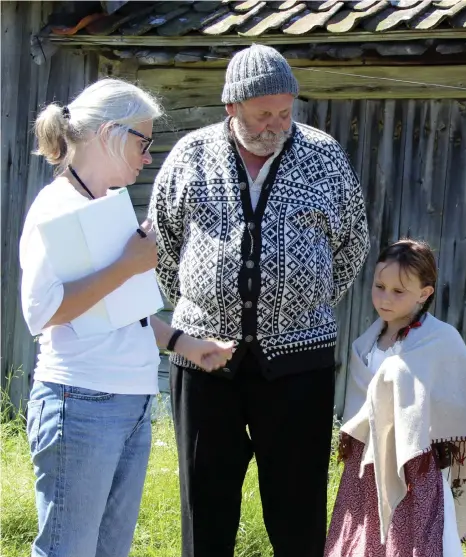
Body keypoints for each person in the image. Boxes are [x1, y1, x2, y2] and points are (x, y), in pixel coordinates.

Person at [149, 44, 369, 557]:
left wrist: (298, 305)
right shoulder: (191, 154)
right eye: (262, 113)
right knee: (206, 507)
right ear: (232, 107)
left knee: (297, 511)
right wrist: (200, 307)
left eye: (285, 112)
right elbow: (162, 242)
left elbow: (351, 243)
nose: (276, 124)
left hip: (299, 361)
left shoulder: (323, 156)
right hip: (202, 361)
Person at [20, 79, 234, 557]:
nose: (147, 156)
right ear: (107, 134)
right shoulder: (56, 208)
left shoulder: (102, 207)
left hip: (128, 403)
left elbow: (121, 314)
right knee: (67, 551)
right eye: (143, 141)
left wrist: (182, 342)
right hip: (80, 402)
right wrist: (127, 265)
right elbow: (41, 312)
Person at [325, 239, 466, 556]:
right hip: (365, 468)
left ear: (425, 293)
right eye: (380, 286)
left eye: (399, 291)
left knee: (411, 542)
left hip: (417, 469)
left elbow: (457, 401)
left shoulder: (441, 340)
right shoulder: (365, 345)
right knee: (360, 540)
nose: (385, 298)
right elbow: (360, 411)